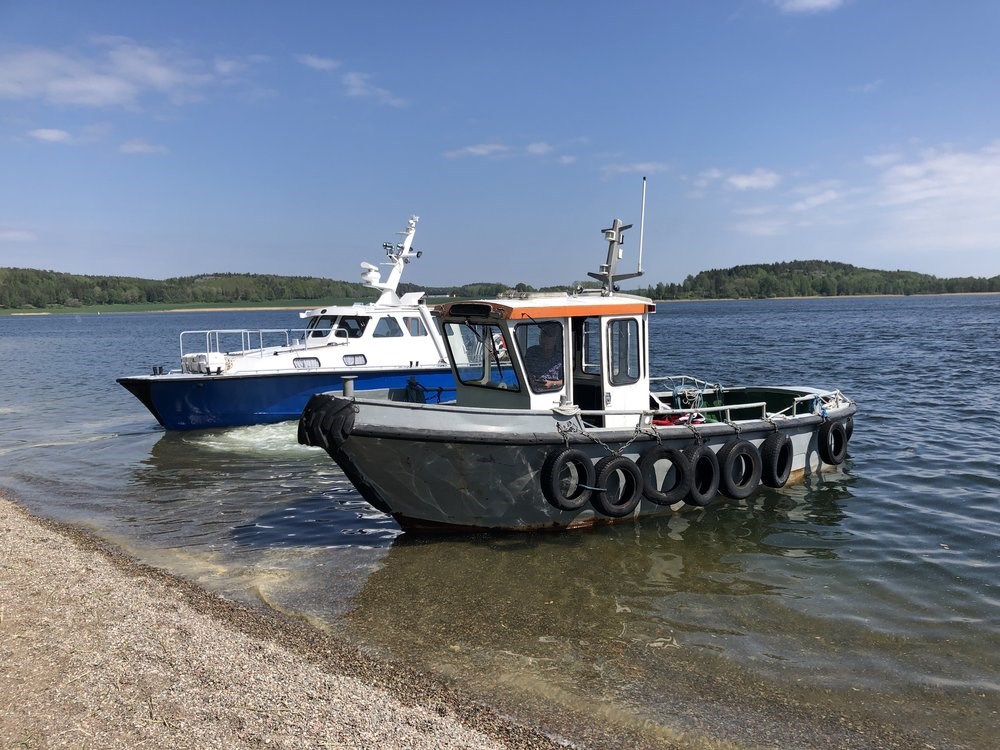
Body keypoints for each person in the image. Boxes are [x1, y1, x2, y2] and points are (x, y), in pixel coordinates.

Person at [524, 322, 564, 390]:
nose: (545, 344)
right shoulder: (531, 352)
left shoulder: (561, 357)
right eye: (542, 338)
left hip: (555, 391)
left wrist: (552, 384)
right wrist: (530, 380)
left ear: (554, 340)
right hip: (532, 389)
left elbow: (567, 380)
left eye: (548, 343)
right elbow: (524, 370)